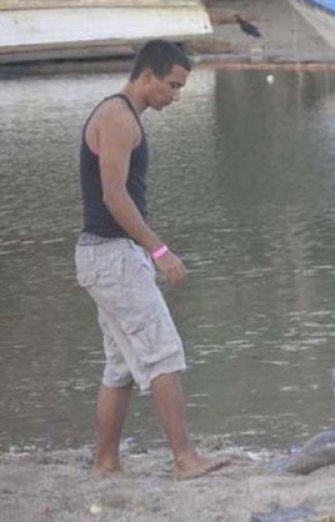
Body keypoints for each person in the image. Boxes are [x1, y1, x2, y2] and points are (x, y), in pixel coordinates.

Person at [74, 40, 229, 479]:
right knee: (163, 353)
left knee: (122, 365)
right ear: (147, 77)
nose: (176, 96)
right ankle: (185, 458)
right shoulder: (118, 119)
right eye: (173, 86)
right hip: (111, 256)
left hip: (107, 256)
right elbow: (113, 195)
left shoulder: (121, 115)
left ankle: (104, 462)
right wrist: (159, 250)